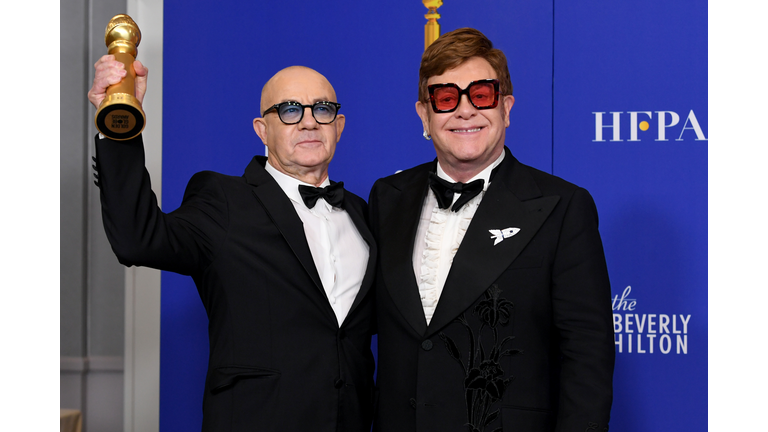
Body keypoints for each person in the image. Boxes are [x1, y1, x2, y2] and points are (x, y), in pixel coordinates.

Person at [88, 58, 376, 432]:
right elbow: (137, 239)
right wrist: (118, 122)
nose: (308, 122)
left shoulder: (364, 213)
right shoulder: (223, 200)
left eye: (322, 109)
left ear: (338, 126)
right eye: (289, 110)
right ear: (262, 130)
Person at [368, 28, 615, 431]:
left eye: (481, 95)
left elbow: (587, 356)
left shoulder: (562, 207)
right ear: (424, 115)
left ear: (506, 108)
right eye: (446, 98)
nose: (465, 111)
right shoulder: (387, 198)